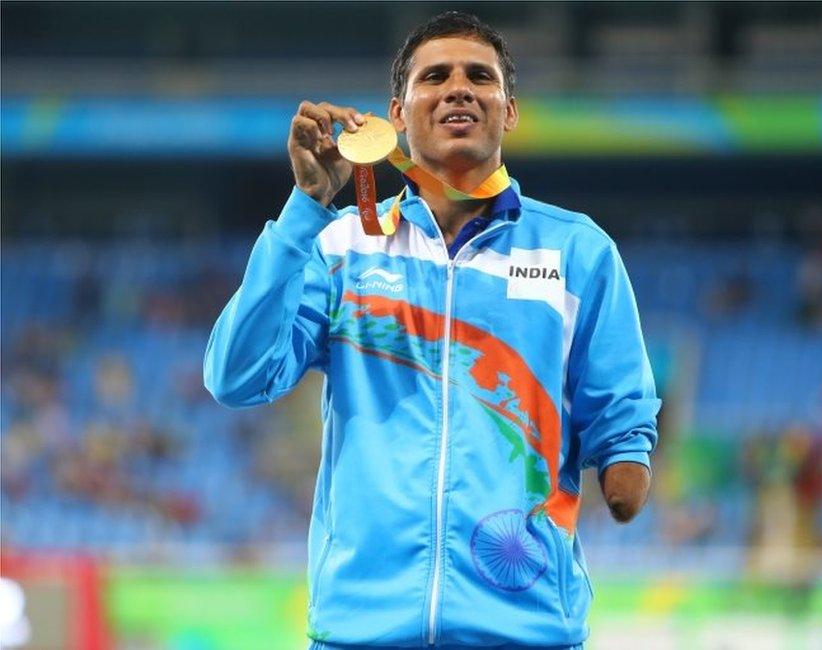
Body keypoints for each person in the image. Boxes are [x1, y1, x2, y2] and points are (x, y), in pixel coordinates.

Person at [204, 11, 661, 649]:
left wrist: (625, 458)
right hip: (360, 631)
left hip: (525, 629)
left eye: (481, 76)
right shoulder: (342, 246)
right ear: (398, 111)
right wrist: (306, 207)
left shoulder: (578, 252)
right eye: (435, 76)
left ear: (509, 112)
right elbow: (237, 377)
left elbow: (620, 410)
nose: (458, 88)